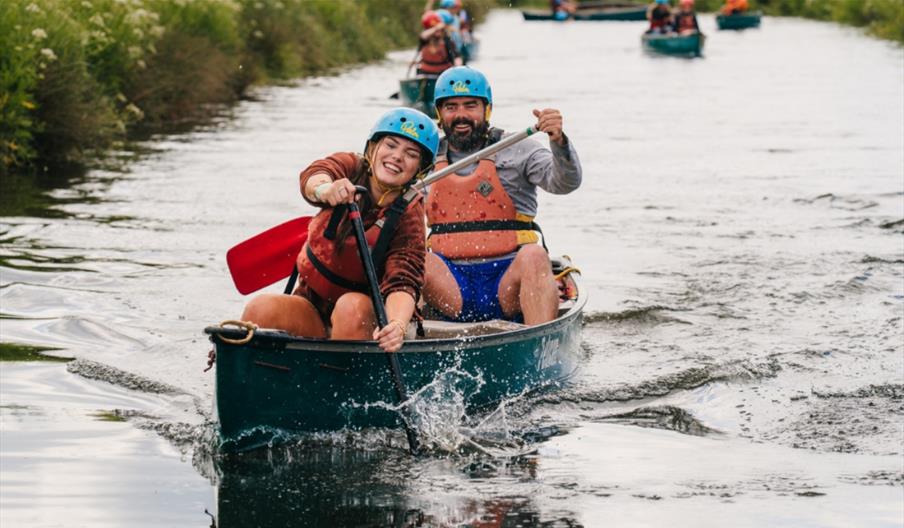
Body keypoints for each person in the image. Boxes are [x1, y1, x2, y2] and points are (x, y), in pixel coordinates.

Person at [240, 108, 440, 353]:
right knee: (260, 308)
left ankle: (342, 382)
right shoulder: (350, 166)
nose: (397, 156)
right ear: (373, 147)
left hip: (364, 318)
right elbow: (315, 175)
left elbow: (404, 281)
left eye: (410, 154)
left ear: (419, 169)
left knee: (350, 307)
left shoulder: (409, 213)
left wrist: (397, 325)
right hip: (312, 306)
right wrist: (325, 190)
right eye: (391, 145)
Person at [422, 66, 582, 326]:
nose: (461, 114)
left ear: (487, 109)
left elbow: (565, 183)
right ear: (439, 113)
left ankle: (537, 341)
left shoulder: (518, 148)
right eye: (451, 107)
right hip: (449, 284)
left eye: (470, 105)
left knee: (534, 255)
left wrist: (559, 142)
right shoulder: (422, 157)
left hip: (509, 281)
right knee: (414, 258)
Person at [416, 10, 462, 76]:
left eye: (440, 30)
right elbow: (423, 36)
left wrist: (458, 68)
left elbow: (457, 57)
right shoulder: (425, 40)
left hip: (443, 74)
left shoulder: (447, 41)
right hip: (425, 72)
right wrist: (436, 28)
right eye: (437, 31)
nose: (438, 32)